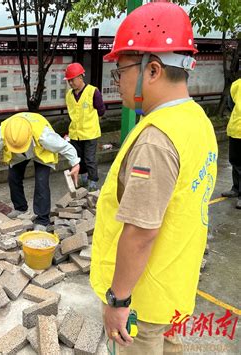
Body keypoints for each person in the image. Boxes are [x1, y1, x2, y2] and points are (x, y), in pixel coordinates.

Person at [89, 3, 218, 354]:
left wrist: (118, 300)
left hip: (144, 303)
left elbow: (142, 231)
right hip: (176, 287)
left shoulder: (156, 139)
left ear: (153, 70)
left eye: (121, 71)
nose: (118, 82)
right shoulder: (197, 121)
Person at [0, 112, 80, 230]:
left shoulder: (44, 135)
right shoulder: (1, 134)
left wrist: (75, 163)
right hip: (17, 156)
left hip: (41, 152)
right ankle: (20, 208)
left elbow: (65, 146)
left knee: (41, 182)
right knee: (13, 177)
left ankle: (42, 220)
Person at [65, 63, 105, 191]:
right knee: (78, 159)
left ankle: (93, 182)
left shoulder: (93, 92)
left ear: (81, 77)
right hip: (75, 134)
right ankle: (83, 179)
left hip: (90, 133)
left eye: (72, 79)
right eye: (69, 80)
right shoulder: (69, 95)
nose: (70, 83)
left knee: (90, 159)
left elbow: (101, 110)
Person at [221, 77, 241, 209]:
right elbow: (231, 104)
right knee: (234, 161)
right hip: (235, 129)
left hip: (236, 128)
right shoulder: (237, 84)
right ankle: (235, 189)